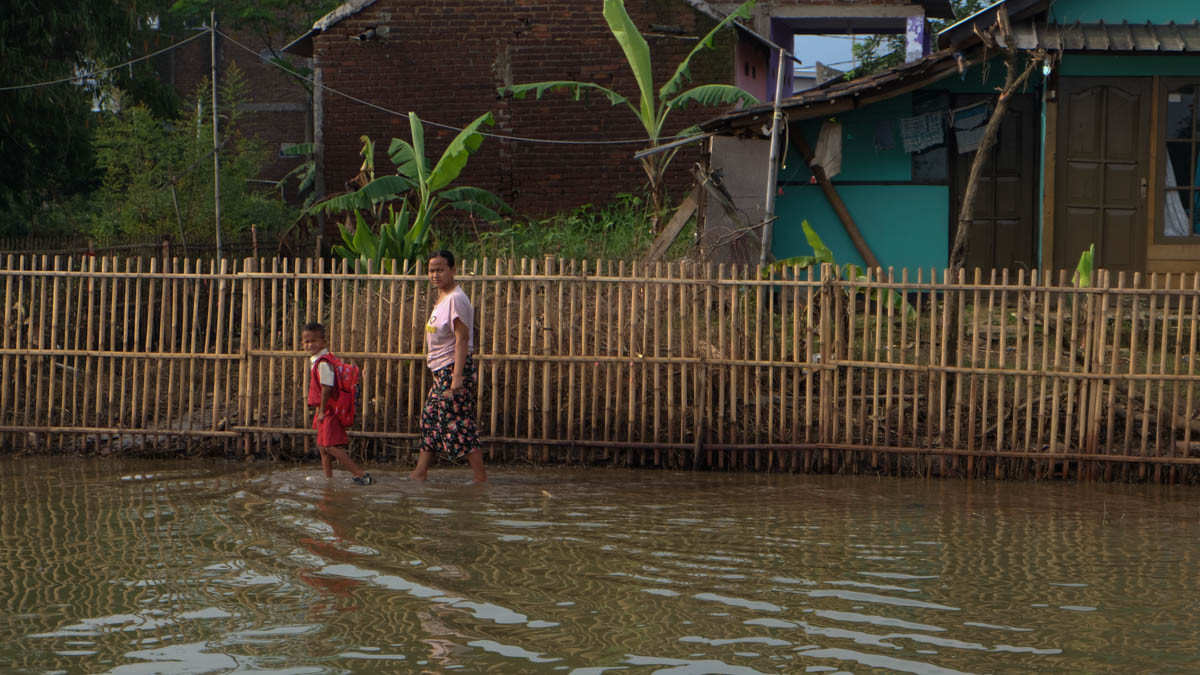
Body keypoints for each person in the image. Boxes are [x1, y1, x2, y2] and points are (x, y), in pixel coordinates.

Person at [409, 250, 487, 483]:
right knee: (430, 419)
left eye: (440, 269)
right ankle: (420, 473)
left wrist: (457, 377)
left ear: (453, 270)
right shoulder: (442, 298)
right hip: (441, 370)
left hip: (453, 369)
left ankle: (480, 476)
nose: (435, 274)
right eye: (432, 270)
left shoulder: (456, 299)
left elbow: (462, 339)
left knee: (457, 423)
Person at [302, 322, 373, 485]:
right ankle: (328, 479)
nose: (310, 345)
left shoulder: (323, 363)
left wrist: (321, 412)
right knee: (322, 446)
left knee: (330, 446)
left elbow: (327, 388)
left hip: (329, 410)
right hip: (324, 409)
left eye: (314, 341)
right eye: (306, 342)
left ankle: (361, 474)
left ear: (323, 342)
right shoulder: (318, 360)